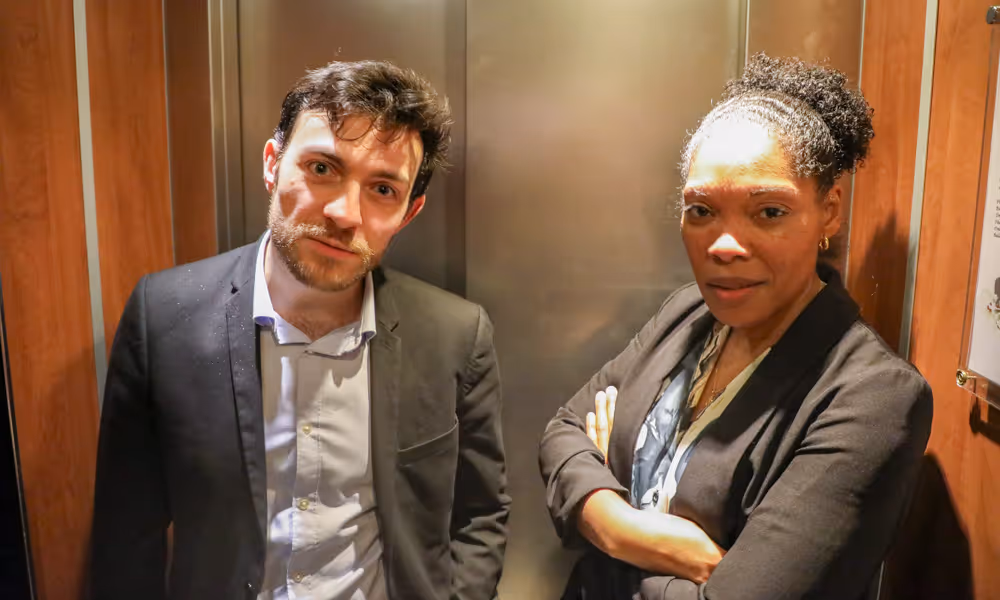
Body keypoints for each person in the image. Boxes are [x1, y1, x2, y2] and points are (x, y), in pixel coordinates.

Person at [90, 60, 510, 600]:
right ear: (272, 163)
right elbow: (126, 533)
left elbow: (480, 514)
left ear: (409, 212)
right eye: (322, 168)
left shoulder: (456, 336)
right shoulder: (163, 317)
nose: (344, 213)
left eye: (383, 189)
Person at [538, 54, 933, 600]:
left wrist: (596, 506)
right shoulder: (688, 314)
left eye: (769, 212)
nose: (723, 246)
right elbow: (563, 430)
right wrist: (621, 528)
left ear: (829, 211)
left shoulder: (873, 397)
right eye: (701, 211)